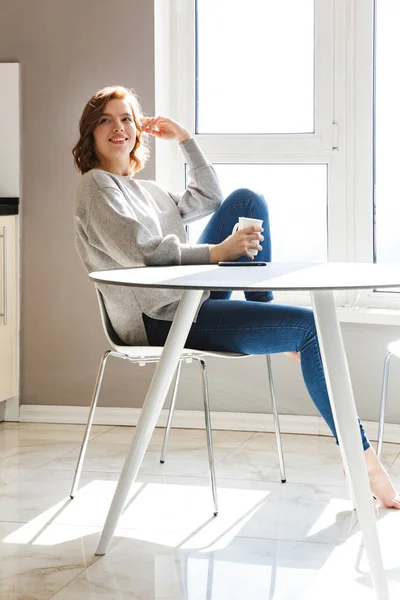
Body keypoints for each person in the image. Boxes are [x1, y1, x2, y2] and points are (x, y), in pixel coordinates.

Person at [73, 85, 400, 509]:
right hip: (158, 320)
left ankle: (261, 309)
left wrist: (187, 141)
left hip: (189, 302)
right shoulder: (96, 187)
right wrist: (217, 252)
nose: (118, 128)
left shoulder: (148, 191)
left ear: (139, 131)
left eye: (127, 120)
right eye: (105, 120)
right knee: (308, 329)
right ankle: (363, 459)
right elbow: (141, 252)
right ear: (91, 133)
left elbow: (210, 198)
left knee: (247, 200)